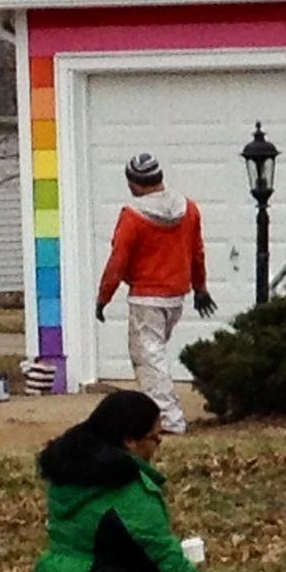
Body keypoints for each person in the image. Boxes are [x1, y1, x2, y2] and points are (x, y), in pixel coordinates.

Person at [28, 390, 237, 572]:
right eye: (155, 438)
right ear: (129, 440)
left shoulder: (68, 475)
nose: (157, 448)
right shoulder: (129, 492)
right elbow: (171, 568)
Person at [96, 152, 215, 435]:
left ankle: (170, 420)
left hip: (146, 296)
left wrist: (103, 297)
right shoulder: (188, 209)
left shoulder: (133, 215)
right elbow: (197, 252)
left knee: (149, 359)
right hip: (176, 296)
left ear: (135, 183)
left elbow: (118, 260)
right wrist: (200, 287)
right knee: (156, 355)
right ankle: (153, 418)